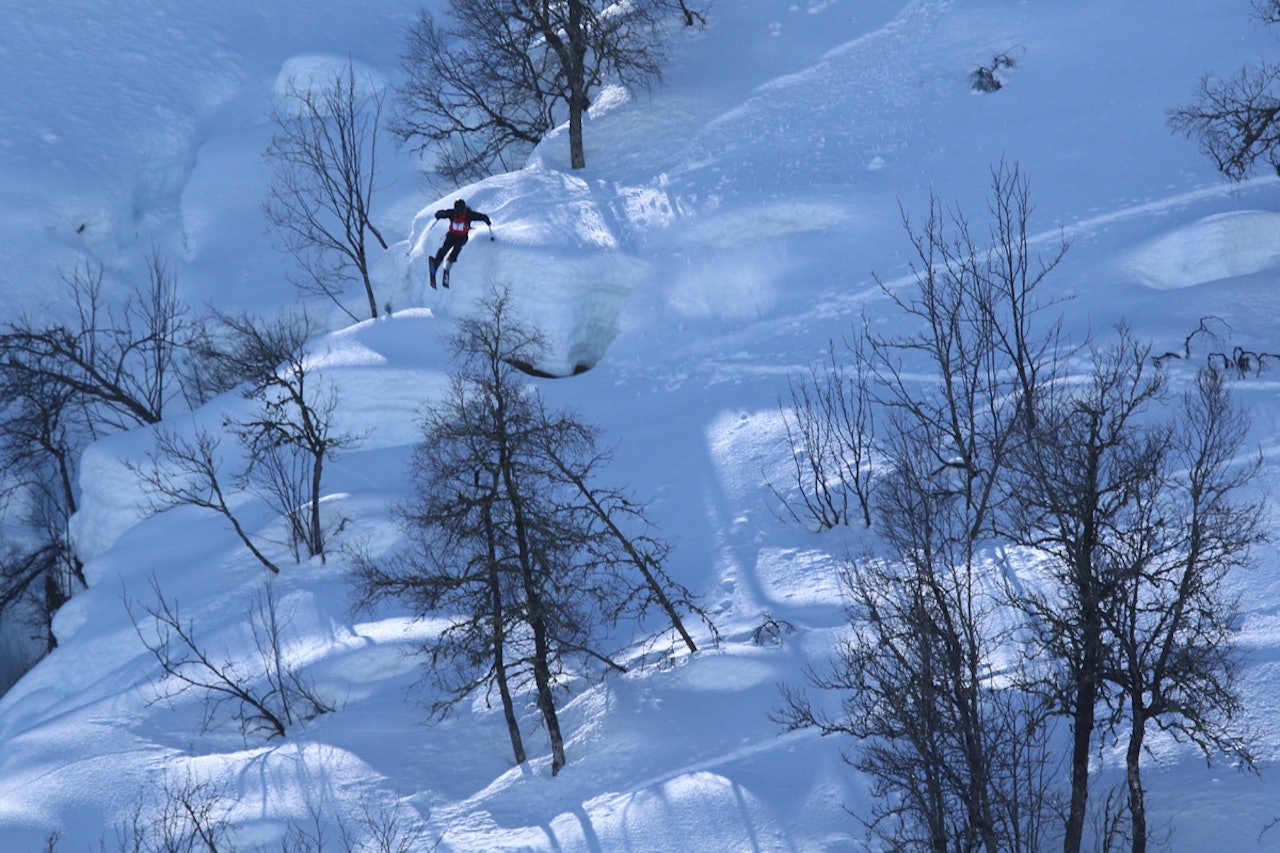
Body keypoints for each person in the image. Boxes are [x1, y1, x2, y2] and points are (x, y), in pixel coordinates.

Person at [429, 198, 491, 286]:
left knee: (457, 248)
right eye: (457, 211)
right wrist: (439, 214)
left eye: (460, 211)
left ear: (464, 209)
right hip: (451, 235)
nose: (459, 213)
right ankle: (436, 262)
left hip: (462, 237)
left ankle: (448, 264)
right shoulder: (452, 213)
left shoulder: (469, 214)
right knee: (445, 248)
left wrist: (486, 220)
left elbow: (481, 216)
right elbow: (443, 213)